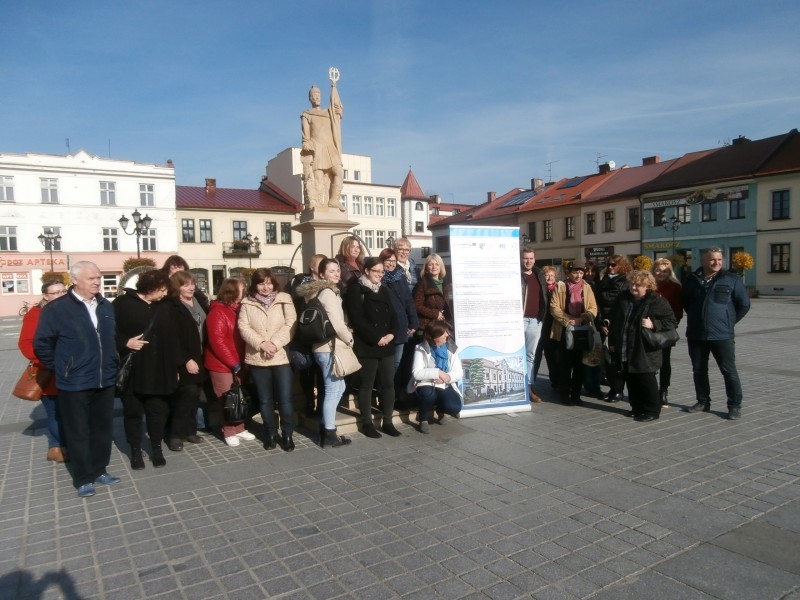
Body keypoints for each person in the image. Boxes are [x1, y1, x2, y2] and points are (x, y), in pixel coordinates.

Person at [34, 261, 121, 498]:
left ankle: (100, 469)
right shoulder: (57, 308)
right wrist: (62, 367)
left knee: (102, 428)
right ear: (74, 280)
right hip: (75, 381)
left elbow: (112, 337)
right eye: (91, 278)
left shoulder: (105, 305)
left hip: (104, 378)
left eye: (99, 277)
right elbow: (42, 343)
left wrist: (112, 362)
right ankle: (83, 477)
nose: (97, 282)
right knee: (78, 430)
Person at [114, 269, 180, 470]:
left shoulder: (166, 306)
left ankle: (156, 447)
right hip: (135, 369)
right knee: (133, 413)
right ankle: (135, 450)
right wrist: (125, 342)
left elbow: (174, 338)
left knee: (157, 411)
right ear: (150, 288)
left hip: (160, 369)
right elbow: (107, 332)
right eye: (161, 290)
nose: (164, 294)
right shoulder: (122, 304)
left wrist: (176, 366)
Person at [683, 247, 750, 420]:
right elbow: (686, 303)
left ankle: (734, 405)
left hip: (722, 335)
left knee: (729, 371)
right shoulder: (692, 280)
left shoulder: (731, 279)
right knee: (699, 370)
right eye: (712, 259)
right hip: (697, 335)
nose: (717, 262)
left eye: (719, 259)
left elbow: (744, 304)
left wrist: (728, 322)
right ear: (703, 260)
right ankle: (703, 401)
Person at [296, 258, 353, 447]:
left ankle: (326, 425)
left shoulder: (316, 291)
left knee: (339, 387)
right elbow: (337, 322)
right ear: (322, 275)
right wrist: (349, 338)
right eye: (331, 271)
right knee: (332, 389)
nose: (336, 274)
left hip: (322, 347)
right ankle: (329, 433)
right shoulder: (328, 292)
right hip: (329, 346)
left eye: (337, 270)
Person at [238, 268, 297, 451]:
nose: (266, 287)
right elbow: (243, 327)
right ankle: (270, 433)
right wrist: (261, 344)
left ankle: (287, 434)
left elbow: (291, 324)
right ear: (255, 284)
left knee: (285, 399)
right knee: (265, 400)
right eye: (261, 283)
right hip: (258, 357)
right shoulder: (247, 302)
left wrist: (274, 344)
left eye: (269, 283)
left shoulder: (284, 299)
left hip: (279, 356)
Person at [609, 270, 677, 422]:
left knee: (645, 378)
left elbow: (671, 321)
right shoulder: (623, 298)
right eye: (631, 284)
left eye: (638, 285)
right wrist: (612, 341)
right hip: (625, 345)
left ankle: (652, 410)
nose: (633, 287)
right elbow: (615, 320)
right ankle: (637, 407)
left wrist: (654, 324)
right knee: (630, 377)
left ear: (647, 285)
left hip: (644, 348)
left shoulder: (656, 300)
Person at [345, 257, 401, 438]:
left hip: (387, 344)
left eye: (382, 271)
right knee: (366, 385)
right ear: (366, 271)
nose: (379, 274)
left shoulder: (384, 290)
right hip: (368, 345)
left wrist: (392, 334)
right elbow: (357, 319)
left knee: (388, 384)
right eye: (376, 271)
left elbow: (394, 315)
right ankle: (367, 423)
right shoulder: (356, 290)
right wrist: (376, 338)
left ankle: (388, 421)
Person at [18, 280, 68, 463]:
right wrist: (48, 361)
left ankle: (57, 447)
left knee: (66, 412)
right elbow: (26, 344)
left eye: (63, 291)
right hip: (49, 373)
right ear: (45, 295)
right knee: (55, 412)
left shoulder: (71, 311)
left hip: (71, 371)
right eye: (55, 292)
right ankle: (59, 446)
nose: (61, 295)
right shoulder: (36, 315)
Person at [203, 278, 256, 447]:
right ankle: (228, 430)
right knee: (227, 399)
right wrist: (233, 363)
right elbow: (217, 342)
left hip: (237, 362)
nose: (245, 291)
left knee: (239, 398)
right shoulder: (218, 312)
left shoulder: (236, 310)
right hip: (222, 365)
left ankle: (239, 427)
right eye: (242, 289)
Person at [165, 270, 207, 451]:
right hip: (186, 358)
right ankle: (175, 434)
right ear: (177, 287)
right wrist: (185, 360)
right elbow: (172, 338)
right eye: (185, 284)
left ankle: (190, 430)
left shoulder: (198, 300)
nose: (191, 287)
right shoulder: (173, 306)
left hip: (201, 355)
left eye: (192, 283)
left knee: (195, 395)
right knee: (185, 396)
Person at [550, 261, 598, 406]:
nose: (578, 275)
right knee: (565, 364)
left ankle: (576, 395)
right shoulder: (561, 286)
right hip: (565, 329)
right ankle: (565, 394)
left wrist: (582, 318)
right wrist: (568, 320)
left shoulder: (587, 287)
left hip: (582, 330)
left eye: (581, 272)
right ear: (569, 273)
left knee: (579, 365)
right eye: (575, 272)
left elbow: (593, 308)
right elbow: (554, 307)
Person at [287, 254, 327, 417]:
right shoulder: (298, 282)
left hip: (321, 334)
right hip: (302, 333)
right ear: (312, 267)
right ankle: (309, 402)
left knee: (323, 373)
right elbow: (290, 300)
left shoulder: (329, 284)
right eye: (320, 264)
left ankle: (322, 407)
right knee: (306, 372)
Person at [411, 321, 463, 433]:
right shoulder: (420, 348)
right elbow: (416, 372)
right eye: (443, 333)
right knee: (428, 395)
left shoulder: (451, 348)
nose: (447, 335)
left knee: (454, 407)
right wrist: (438, 372)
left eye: (447, 332)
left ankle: (440, 410)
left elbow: (459, 372)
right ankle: (423, 418)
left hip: (445, 384)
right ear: (435, 335)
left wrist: (447, 377)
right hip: (426, 383)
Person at [300, 80, 344, 210]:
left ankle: (334, 200)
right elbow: (305, 136)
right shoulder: (307, 115)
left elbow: (337, 114)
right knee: (318, 177)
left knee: (339, 172)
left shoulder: (329, 113)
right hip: (317, 148)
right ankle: (318, 204)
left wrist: (334, 89)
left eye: (318, 95)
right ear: (310, 98)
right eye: (313, 95)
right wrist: (306, 143)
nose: (316, 97)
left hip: (330, 148)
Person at [595, 255, 632, 402]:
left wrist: (613, 324)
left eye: (614, 265)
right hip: (603, 323)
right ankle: (613, 388)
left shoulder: (625, 282)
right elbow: (596, 302)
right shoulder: (603, 280)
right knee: (606, 359)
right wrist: (600, 322)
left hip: (618, 325)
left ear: (622, 266)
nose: (610, 267)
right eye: (609, 264)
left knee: (617, 359)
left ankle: (618, 390)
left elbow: (623, 306)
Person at [378, 248, 419, 380]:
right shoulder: (378, 278)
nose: (391, 263)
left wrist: (413, 321)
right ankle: (383, 392)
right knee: (385, 364)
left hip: (401, 325)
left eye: (394, 261)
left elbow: (408, 299)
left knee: (397, 362)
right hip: (385, 328)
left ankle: (394, 394)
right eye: (388, 260)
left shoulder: (399, 276)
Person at [652, 258, 683, 407]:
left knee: (665, 361)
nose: (661, 273)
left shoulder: (675, 287)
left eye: (665, 271)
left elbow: (678, 310)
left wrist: (672, 325)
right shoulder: (648, 285)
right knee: (649, 360)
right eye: (658, 270)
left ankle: (663, 390)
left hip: (665, 329)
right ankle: (650, 390)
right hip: (648, 328)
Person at [520, 246, 548, 402]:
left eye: (531, 258)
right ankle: (518, 387)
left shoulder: (539, 275)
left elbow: (545, 295)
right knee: (517, 354)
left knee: (530, 356)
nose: (528, 261)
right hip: (520, 320)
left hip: (535, 320)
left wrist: (542, 317)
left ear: (534, 259)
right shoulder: (516, 275)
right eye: (525, 258)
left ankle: (529, 387)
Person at [533, 266, 559, 393]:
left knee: (552, 358)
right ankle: (531, 384)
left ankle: (556, 382)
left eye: (552, 276)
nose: (549, 278)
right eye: (547, 275)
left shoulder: (559, 290)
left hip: (551, 329)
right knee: (535, 357)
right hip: (539, 327)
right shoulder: (539, 289)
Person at [414, 253, 453, 333]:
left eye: (437, 264)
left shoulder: (445, 283)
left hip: (442, 325)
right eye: (431, 265)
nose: (434, 267)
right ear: (426, 268)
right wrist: (435, 314)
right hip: (427, 326)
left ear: (441, 266)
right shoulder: (423, 283)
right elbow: (416, 305)